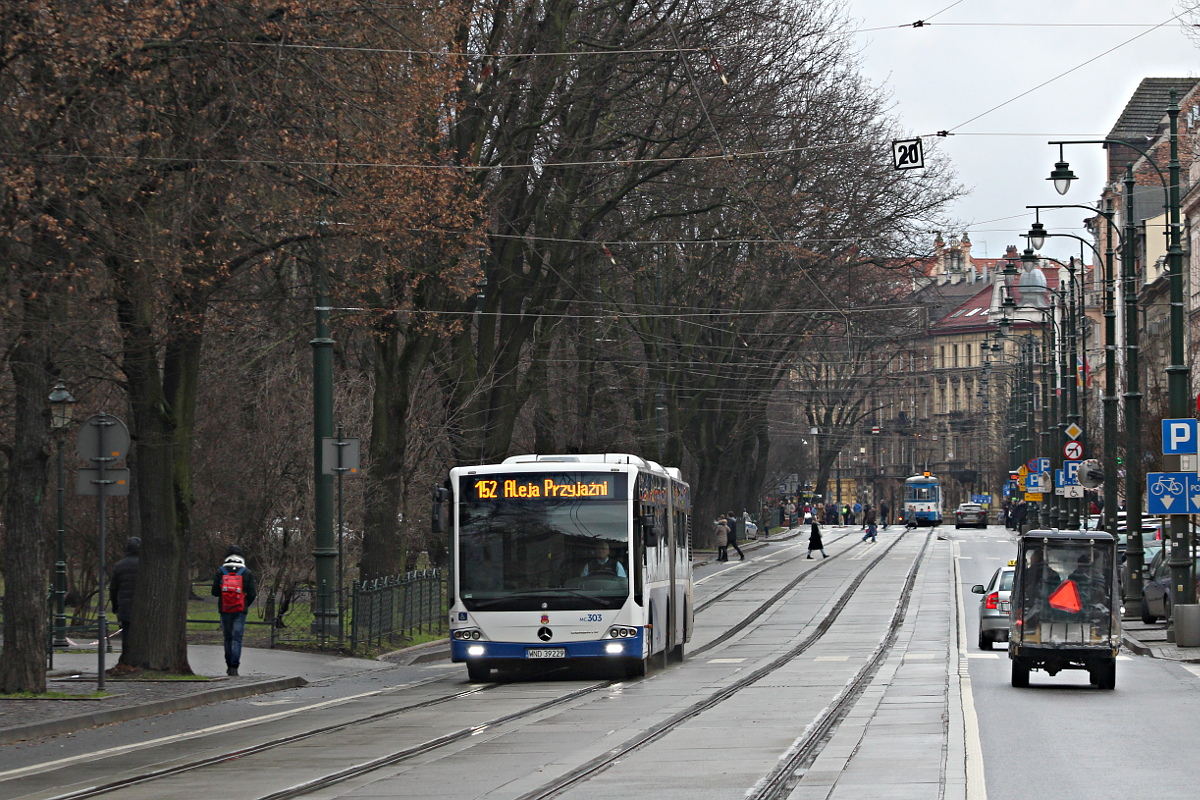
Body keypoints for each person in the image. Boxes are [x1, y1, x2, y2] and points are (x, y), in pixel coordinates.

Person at [212, 545, 257, 676]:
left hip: (225, 609)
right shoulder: (246, 572)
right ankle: (234, 667)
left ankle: (228, 664)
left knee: (227, 638)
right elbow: (252, 593)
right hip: (240, 610)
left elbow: (214, 592)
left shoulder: (221, 571)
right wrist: (245, 603)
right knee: (237, 638)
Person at [110, 537, 141, 642]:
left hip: (125, 605)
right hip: (142, 606)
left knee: (127, 634)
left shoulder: (119, 565)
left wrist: (115, 605)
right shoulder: (145, 564)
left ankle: (127, 655)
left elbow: (113, 588)